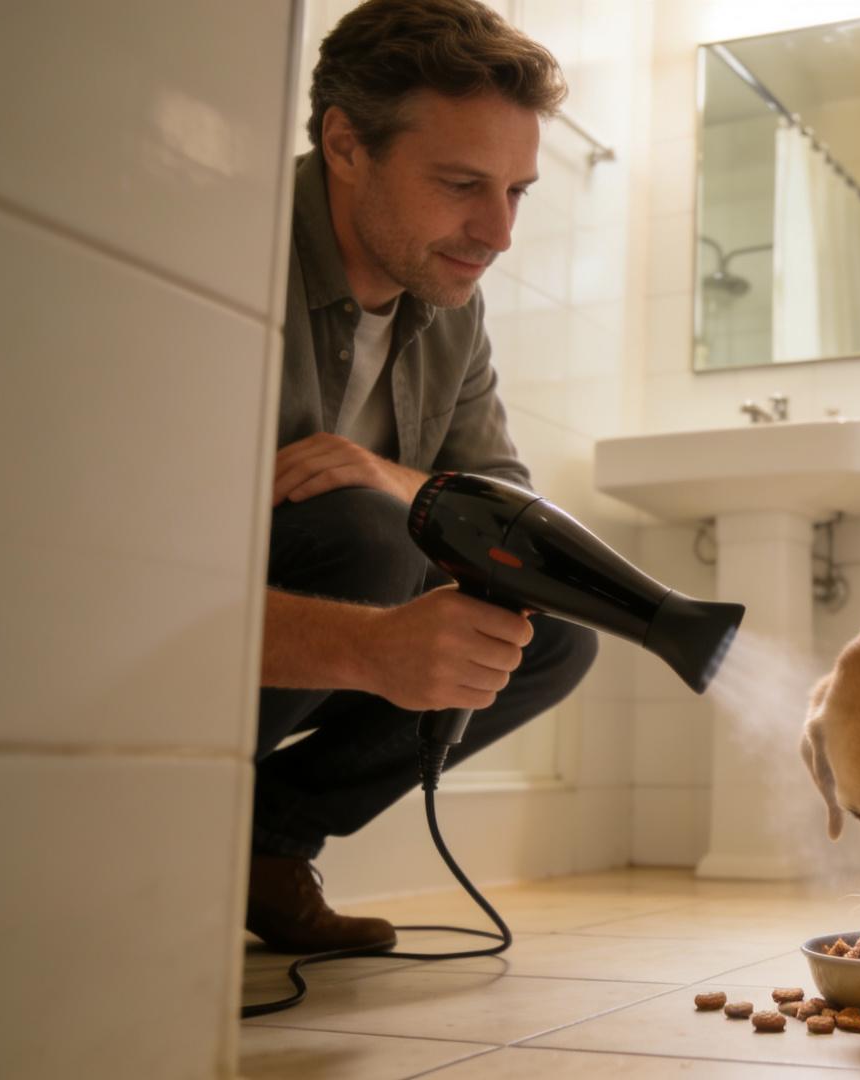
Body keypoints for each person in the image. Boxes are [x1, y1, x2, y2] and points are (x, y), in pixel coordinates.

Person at [247, 0, 597, 953]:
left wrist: (390, 475)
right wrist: (370, 646)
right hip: (172, 633)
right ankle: (162, 814)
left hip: (321, 604)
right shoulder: (230, 251)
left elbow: (516, 517)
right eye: (461, 184)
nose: (499, 231)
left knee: (553, 631)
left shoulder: (452, 308)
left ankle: (264, 840)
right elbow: (129, 573)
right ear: (345, 145)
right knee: (366, 533)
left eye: (517, 191)